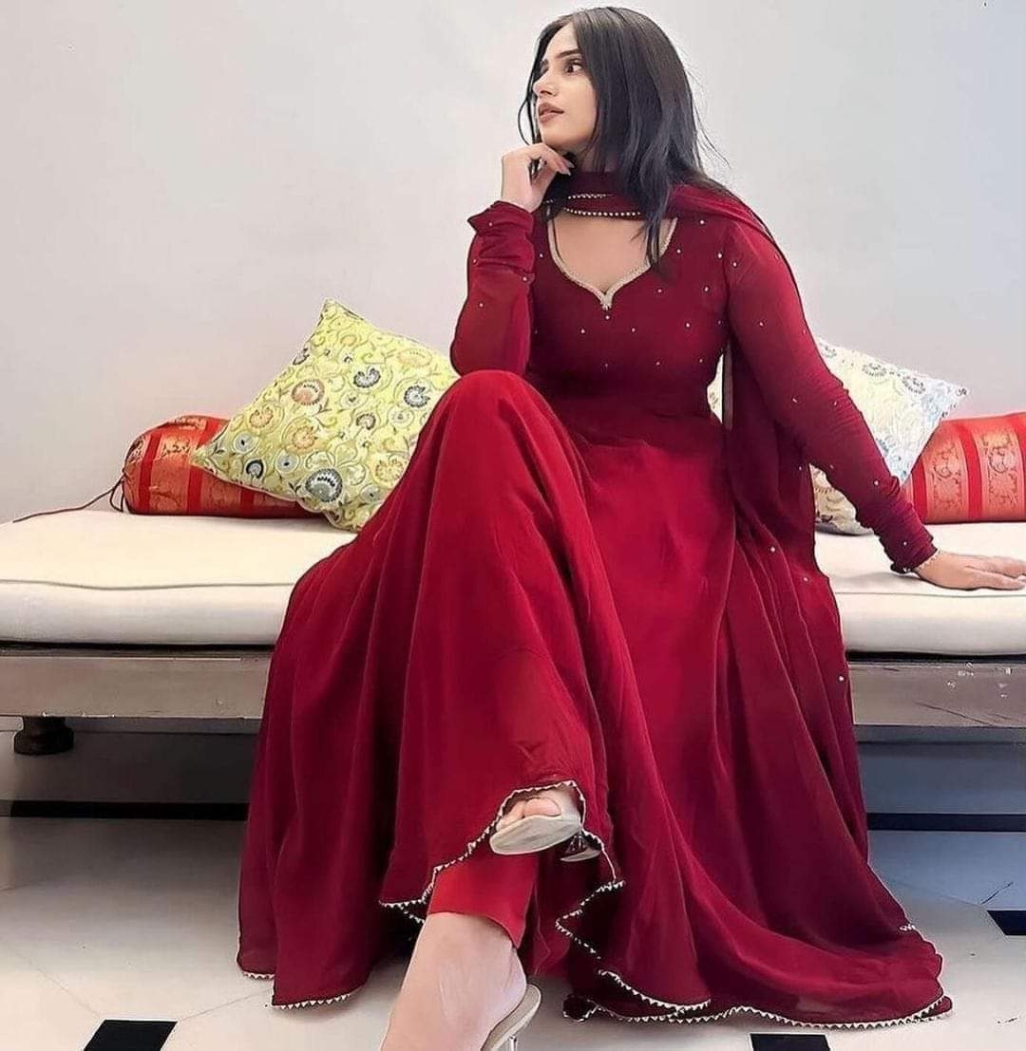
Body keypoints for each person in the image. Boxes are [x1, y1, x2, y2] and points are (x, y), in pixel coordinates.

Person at [235, 7, 1026, 1049]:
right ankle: (529, 801)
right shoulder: (523, 225)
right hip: (532, 488)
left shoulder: (719, 234)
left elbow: (809, 397)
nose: (545, 84)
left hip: (668, 498)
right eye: (542, 67)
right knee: (482, 405)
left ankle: (482, 925)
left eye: (572, 65)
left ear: (634, 84)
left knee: (618, 609)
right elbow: (484, 368)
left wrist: (914, 545)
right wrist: (508, 220)